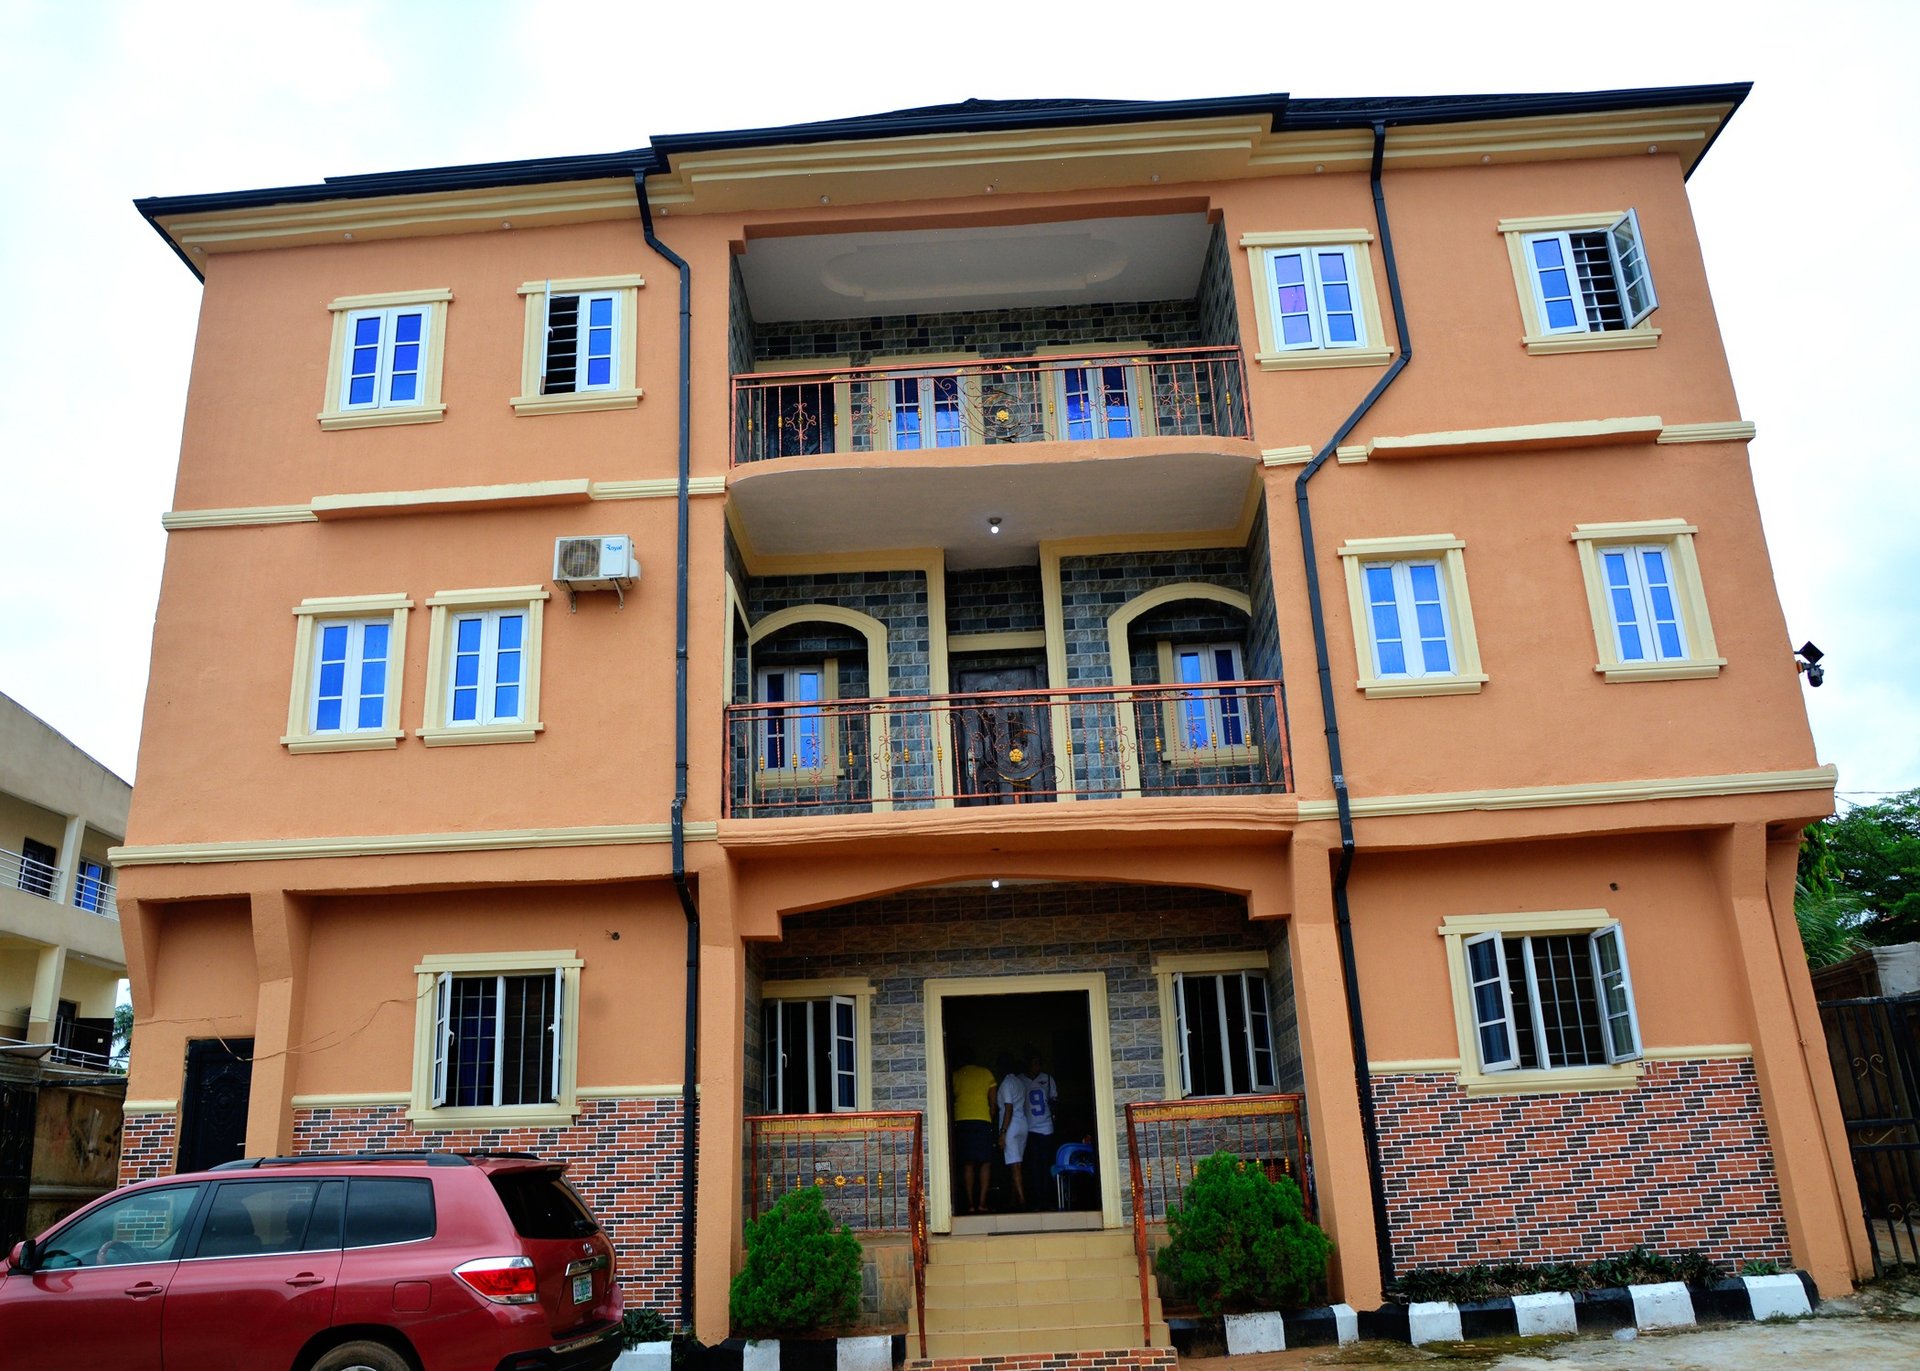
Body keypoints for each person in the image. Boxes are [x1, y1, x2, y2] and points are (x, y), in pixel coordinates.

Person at [948, 1041, 997, 1215]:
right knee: (985, 1163)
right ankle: (982, 1203)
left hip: (962, 1120)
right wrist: (989, 1119)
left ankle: (970, 1204)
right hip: (982, 1121)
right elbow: (993, 1103)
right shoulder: (987, 1074)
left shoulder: (955, 1076)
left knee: (967, 1164)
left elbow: (950, 1100)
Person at [1018, 1048, 1060, 1209]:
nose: (1037, 1066)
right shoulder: (1020, 1080)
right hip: (1028, 1129)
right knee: (1033, 1166)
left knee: (1046, 1164)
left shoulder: (1047, 1079)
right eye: (1034, 1063)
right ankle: (1036, 1199)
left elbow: (1054, 1100)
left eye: (1039, 1063)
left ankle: (1047, 1198)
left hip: (1046, 1127)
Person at [995, 1053, 1031, 1209]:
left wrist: (1002, 1132)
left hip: (1011, 1127)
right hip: (1023, 1124)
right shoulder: (1019, 1082)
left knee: (1014, 1165)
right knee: (1017, 1165)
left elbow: (1008, 1109)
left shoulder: (1006, 1084)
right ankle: (1014, 1201)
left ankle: (1023, 1202)